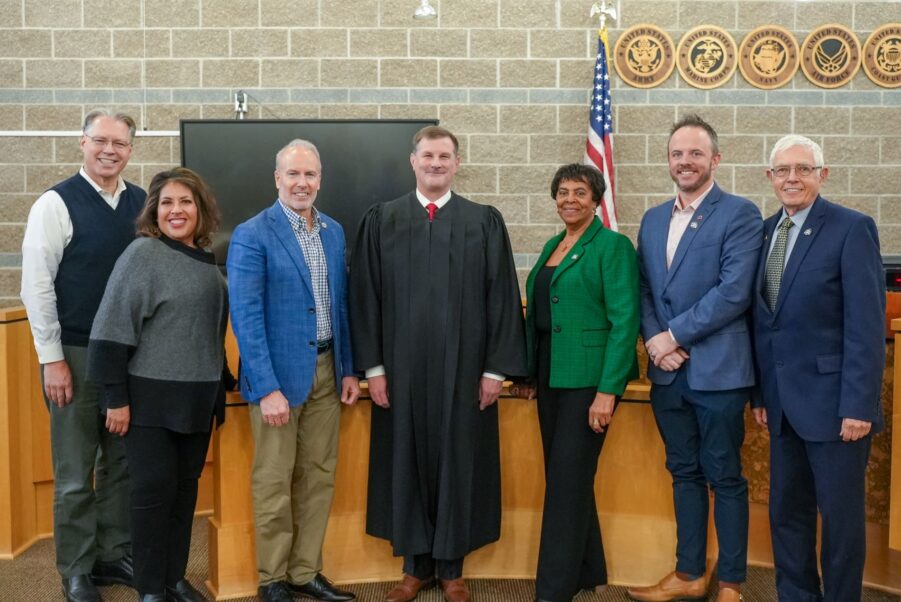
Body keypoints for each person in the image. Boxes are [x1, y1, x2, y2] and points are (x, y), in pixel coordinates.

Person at [349, 125, 527, 602]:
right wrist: (374, 369)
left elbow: (502, 298)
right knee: (404, 458)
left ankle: (452, 568)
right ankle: (414, 567)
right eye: (427, 155)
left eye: (444, 156)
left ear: (457, 162)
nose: (435, 163)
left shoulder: (483, 221)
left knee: (458, 460)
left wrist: (495, 370)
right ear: (413, 161)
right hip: (399, 374)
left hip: (465, 375)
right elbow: (363, 296)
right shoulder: (382, 220)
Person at [629, 115, 762, 602]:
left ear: (715, 159)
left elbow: (734, 293)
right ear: (668, 160)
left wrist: (671, 335)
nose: (685, 162)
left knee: (725, 476)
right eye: (677, 154)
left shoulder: (740, 214)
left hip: (719, 372)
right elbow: (643, 288)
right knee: (683, 473)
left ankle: (730, 582)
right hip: (668, 375)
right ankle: (688, 575)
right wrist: (654, 341)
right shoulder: (653, 218)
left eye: (695, 153)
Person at [86, 167, 231, 602]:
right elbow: (110, 331)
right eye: (166, 202)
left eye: (185, 201)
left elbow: (203, 332)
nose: (176, 210)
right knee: (152, 499)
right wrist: (115, 398)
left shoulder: (207, 261)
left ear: (201, 209)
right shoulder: (142, 255)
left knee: (184, 499)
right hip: (148, 403)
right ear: (154, 211)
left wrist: (223, 386)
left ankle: (173, 579)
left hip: (196, 401)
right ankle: (150, 590)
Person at [751, 135, 885, 602]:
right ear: (770, 178)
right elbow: (766, 324)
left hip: (837, 410)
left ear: (822, 175)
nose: (792, 178)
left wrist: (858, 405)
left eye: (803, 169)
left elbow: (865, 327)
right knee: (787, 514)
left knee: (841, 521)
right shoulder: (766, 231)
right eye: (783, 170)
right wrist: (763, 396)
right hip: (784, 407)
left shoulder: (852, 228)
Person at [227, 139, 360, 602]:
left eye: (310, 175)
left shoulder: (334, 231)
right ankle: (272, 579)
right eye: (293, 174)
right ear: (277, 178)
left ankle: (305, 571)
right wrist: (266, 388)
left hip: (327, 369)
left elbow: (339, 304)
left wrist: (349, 369)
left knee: (319, 475)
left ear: (320, 179)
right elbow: (245, 316)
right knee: (274, 479)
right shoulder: (252, 233)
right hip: (278, 380)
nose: (302, 183)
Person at [20, 109, 143, 602]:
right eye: (100, 141)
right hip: (73, 353)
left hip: (130, 356)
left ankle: (112, 554)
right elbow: (36, 286)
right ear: (82, 143)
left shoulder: (141, 203)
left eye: (120, 143)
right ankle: (75, 567)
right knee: (74, 472)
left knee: (121, 464)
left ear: (131, 150)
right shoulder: (55, 203)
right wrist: (52, 358)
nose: (109, 150)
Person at [513, 164, 639, 602]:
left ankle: (553, 590)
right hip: (550, 377)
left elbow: (625, 321)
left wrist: (609, 391)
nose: (570, 199)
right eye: (563, 192)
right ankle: (588, 569)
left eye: (580, 192)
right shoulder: (554, 244)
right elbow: (542, 316)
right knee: (568, 478)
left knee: (566, 482)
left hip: (590, 382)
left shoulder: (613, 247)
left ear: (596, 198)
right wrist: (529, 372)